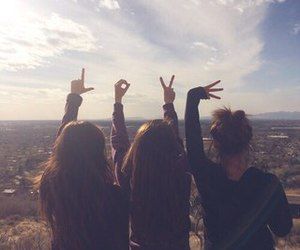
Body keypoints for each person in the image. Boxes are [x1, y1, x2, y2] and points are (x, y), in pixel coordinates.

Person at [185, 81, 293, 250]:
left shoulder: (207, 176)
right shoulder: (267, 184)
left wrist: (194, 97)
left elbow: (193, 144)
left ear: (217, 143)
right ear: (247, 142)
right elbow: (282, 228)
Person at [38, 69, 129, 250]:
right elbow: (120, 150)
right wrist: (118, 103)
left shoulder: (54, 190)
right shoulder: (114, 196)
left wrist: (73, 99)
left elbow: (62, 148)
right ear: (99, 152)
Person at [111, 76, 191, 250]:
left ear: (138, 148)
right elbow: (175, 142)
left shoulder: (129, 179)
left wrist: (118, 103)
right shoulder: (182, 175)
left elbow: (119, 145)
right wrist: (168, 105)